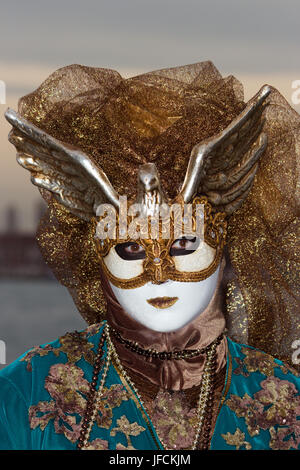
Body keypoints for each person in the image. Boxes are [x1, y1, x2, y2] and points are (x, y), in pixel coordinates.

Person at [0, 61, 299, 450]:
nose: (160, 275)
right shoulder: (25, 396)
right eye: (132, 249)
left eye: (183, 245)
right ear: (99, 254)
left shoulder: (286, 403)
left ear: (222, 244)